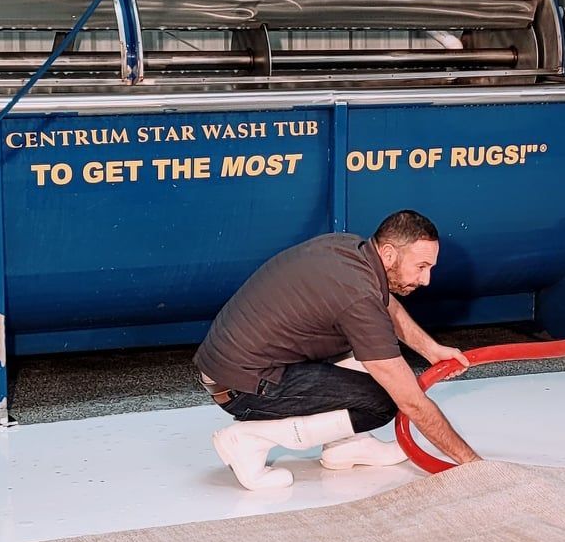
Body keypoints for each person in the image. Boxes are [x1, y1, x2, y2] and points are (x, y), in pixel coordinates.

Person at [194, 209, 481, 490]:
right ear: (390, 254)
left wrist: (430, 349)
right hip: (240, 387)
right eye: (421, 267)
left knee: (362, 353)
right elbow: (412, 403)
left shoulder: (351, 249)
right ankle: (249, 440)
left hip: (238, 367)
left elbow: (386, 304)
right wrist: (473, 465)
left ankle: (345, 447)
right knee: (384, 400)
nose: (426, 279)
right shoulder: (358, 298)